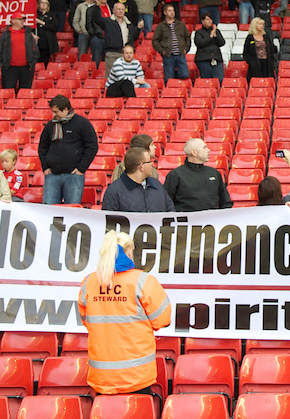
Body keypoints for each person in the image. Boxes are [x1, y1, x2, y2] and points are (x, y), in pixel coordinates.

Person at [79, 230, 171, 394]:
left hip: (102, 378)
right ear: (129, 251)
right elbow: (162, 319)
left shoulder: (89, 282)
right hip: (137, 377)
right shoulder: (143, 281)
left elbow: (86, 320)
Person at [38, 96, 98, 205]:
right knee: (48, 210)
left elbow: (92, 146)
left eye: (56, 112)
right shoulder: (50, 126)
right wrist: (45, 167)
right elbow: (42, 147)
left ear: (65, 109)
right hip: (52, 175)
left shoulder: (82, 123)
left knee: (72, 210)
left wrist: (81, 168)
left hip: (73, 175)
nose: (53, 115)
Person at [164, 139, 232, 211]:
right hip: (187, 221)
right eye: (204, 147)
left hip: (211, 221)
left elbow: (226, 202)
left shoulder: (214, 173)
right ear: (194, 152)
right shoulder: (175, 175)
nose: (208, 150)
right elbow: (166, 203)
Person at [102, 146, 174, 212]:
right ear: (141, 166)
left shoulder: (157, 185)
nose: (152, 164)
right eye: (149, 161)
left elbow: (170, 211)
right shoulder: (114, 191)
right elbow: (109, 222)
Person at [0, 14, 37, 92]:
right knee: (8, 91)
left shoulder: (28, 33)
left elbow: (35, 49)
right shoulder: (6, 34)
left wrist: (32, 62)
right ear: (13, 21)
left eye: (22, 19)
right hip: (9, 68)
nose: (22, 21)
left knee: (25, 92)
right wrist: (2, 64)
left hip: (26, 68)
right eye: (19, 19)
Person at [152, 4, 190, 82]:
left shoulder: (181, 24)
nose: (172, 12)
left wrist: (186, 49)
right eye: (169, 11)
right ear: (165, 12)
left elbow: (187, 38)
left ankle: (175, 76)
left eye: (173, 10)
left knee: (185, 74)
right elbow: (155, 41)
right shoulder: (161, 26)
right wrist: (162, 51)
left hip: (180, 54)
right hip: (168, 55)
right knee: (169, 79)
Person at [193, 13, 225, 83]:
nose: (210, 21)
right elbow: (200, 43)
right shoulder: (199, 32)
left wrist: (215, 35)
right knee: (206, 81)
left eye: (210, 19)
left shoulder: (216, 31)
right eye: (207, 19)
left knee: (219, 80)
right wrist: (210, 36)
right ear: (202, 21)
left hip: (216, 59)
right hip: (203, 60)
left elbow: (222, 43)